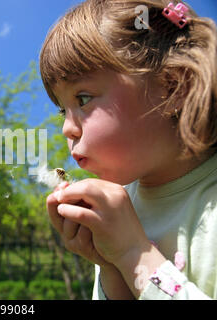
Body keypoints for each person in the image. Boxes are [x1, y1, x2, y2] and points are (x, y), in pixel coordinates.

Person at [40, 0, 217, 299]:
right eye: (62, 111)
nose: (66, 129)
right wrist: (109, 263)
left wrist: (133, 253)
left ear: (173, 87)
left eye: (83, 99)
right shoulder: (117, 214)